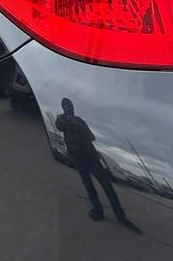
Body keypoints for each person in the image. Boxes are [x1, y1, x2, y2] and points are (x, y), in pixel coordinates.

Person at [55, 98, 140, 232]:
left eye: (69, 104)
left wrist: (77, 126)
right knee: (87, 183)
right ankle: (97, 209)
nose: (67, 106)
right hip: (77, 157)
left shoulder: (80, 120)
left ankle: (121, 217)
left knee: (107, 185)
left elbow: (92, 136)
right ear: (62, 107)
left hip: (91, 156)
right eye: (64, 104)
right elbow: (60, 126)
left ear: (72, 106)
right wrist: (75, 126)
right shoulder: (61, 118)